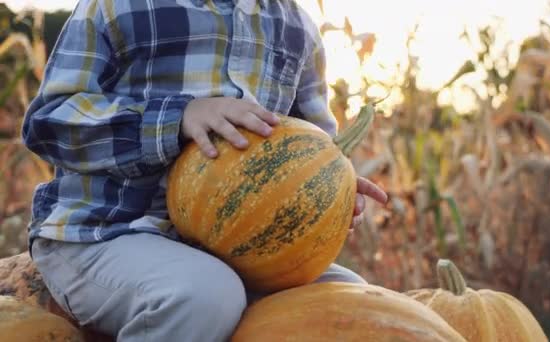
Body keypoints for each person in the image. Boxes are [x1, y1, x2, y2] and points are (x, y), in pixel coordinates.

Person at [22, 0, 388, 340]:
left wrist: (334, 192)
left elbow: (316, 147)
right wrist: (178, 117)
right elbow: (49, 122)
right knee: (205, 296)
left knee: (356, 305)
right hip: (103, 232)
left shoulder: (297, 27)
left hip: (246, 253)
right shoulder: (120, 6)